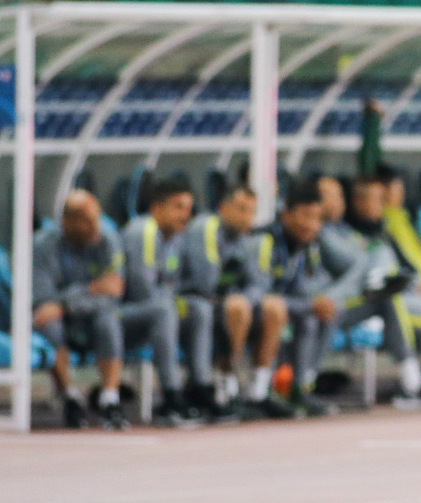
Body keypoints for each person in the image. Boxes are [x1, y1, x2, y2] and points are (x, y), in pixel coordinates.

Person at [178, 184, 292, 419]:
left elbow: (259, 284)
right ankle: (227, 387)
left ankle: (258, 392)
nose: (247, 217)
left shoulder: (249, 239)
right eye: (241, 209)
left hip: (230, 308)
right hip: (194, 304)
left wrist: (245, 298)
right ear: (223, 208)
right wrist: (238, 298)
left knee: (274, 307)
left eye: (252, 211)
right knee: (237, 306)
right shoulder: (206, 227)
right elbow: (206, 283)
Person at [315, 175, 421, 400]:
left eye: (339, 196)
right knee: (381, 265)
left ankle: (412, 376)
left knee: (387, 296)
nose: (337, 202)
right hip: (325, 305)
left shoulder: (345, 231)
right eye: (329, 196)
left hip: (347, 303)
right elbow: (356, 263)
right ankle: (417, 379)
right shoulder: (318, 232)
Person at [32, 190, 127, 429]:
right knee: (47, 323)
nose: (95, 226)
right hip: (60, 321)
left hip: (92, 315)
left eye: (96, 218)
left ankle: (110, 399)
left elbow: (112, 293)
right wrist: (92, 288)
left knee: (108, 319)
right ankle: (69, 398)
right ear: (67, 221)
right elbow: (43, 300)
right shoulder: (43, 245)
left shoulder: (108, 240)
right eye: (87, 220)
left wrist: (66, 304)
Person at [247, 179, 336, 417]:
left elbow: (298, 290)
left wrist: (316, 302)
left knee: (317, 314)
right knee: (284, 311)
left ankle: (300, 388)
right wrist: (308, 305)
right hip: (247, 308)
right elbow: (259, 294)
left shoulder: (302, 246)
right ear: (285, 214)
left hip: (280, 308)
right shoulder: (263, 241)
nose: (313, 225)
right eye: (306, 216)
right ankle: (259, 392)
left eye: (318, 218)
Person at [120, 177, 201, 425]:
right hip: (123, 314)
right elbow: (142, 291)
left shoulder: (175, 238)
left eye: (188, 209)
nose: (185, 215)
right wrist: (171, 299)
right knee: (166, 310)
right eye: (178, 207)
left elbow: (173, 284)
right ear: (157, 208)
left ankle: (201, 388)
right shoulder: (143, 231)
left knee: (200, 310)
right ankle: (171, 395)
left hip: (155, 310)